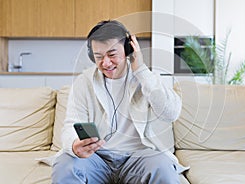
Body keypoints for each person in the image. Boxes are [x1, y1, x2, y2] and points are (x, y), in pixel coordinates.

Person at [52, 20, 183, 184]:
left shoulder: (146, 78)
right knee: (64, 165)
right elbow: (71, 124)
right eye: (98, 57)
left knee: (163, 167)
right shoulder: (84, 82)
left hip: (139, 157)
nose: (105, 63)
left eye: (112, 55)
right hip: (96, 158)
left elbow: (171, 113)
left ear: (129, 50)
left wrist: (141, 71)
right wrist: (74, 146)